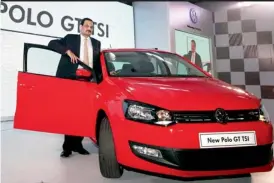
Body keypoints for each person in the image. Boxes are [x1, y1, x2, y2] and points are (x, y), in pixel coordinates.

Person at [47, 17, 101, 158]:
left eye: (91, 26)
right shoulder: (70, 38)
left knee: (84, 114)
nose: (89, 28)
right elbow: (51, 43)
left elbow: (96, 63)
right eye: (87, 25)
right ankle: (67, 147)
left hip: (88, 82)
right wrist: (67, 51)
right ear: (80, 27)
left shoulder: (96, 43)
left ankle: (78, 144)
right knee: (70, 113)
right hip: (70, 80)